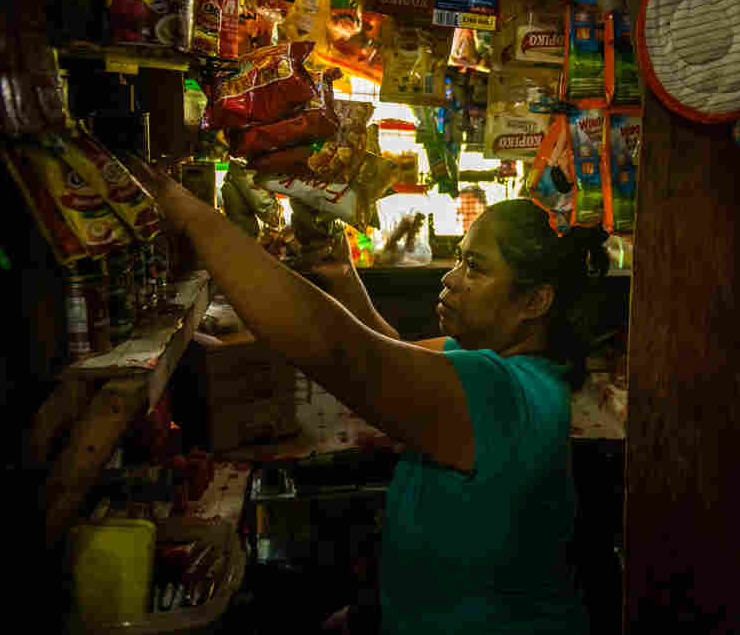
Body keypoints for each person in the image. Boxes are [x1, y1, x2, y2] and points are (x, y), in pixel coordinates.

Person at [130, 159, 604, 634]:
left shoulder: (505, 393)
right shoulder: (487, 361)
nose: (450, 278)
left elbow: (348, 355)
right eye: (457, 258)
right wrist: (341, 274)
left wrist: (199, 221)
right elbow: (391, 355)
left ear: (534, 302)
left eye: (475, 268)